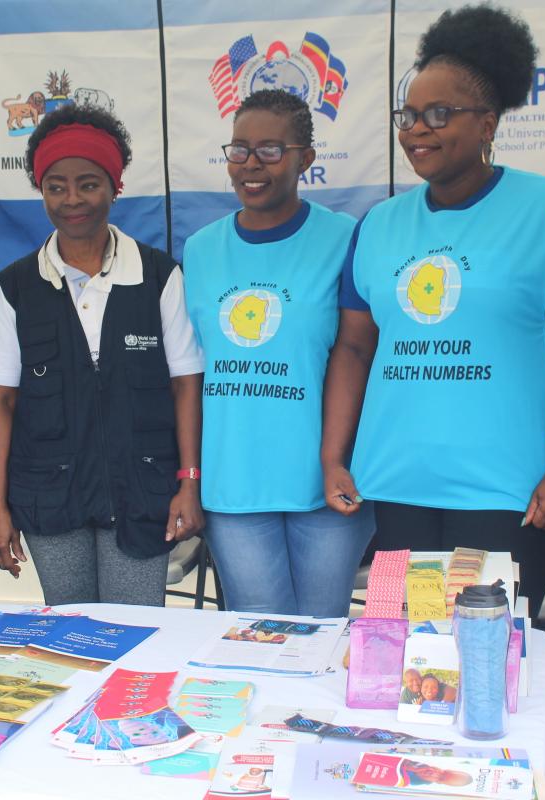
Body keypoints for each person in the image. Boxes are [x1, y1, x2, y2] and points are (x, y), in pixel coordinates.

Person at [321, 4, 545, 617]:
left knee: (488, 668)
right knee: (409, 658)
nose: (416, 130)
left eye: (439, 113)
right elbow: (354, 346)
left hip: (510, 494)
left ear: (488, 123)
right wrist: (333, 457)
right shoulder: (378, 225)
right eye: (408, 115)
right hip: (397, 486)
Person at [0, 105, 204, 606]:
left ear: (115, 186)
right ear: (41, 190)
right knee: (71, 634)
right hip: (48, 500)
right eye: (56, 186)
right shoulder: (14, 287)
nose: (72, 200)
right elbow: (0, 403)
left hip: (142, 495)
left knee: (138, 634)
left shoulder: (158, 277)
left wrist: (188, 481)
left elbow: (185, 384)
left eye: (89, 184)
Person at [183, 89, 375, 617]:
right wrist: (190, 479)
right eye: (239, 149)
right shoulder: (200, 249)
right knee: (261, 639)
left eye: (270, 150)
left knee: (322, 630)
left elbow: (360, 353)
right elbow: (191, 375)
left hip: (326, 485)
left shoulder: (346, 239)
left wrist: (337, 459)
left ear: (305, 159)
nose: (250, 164)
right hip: (235, 483)